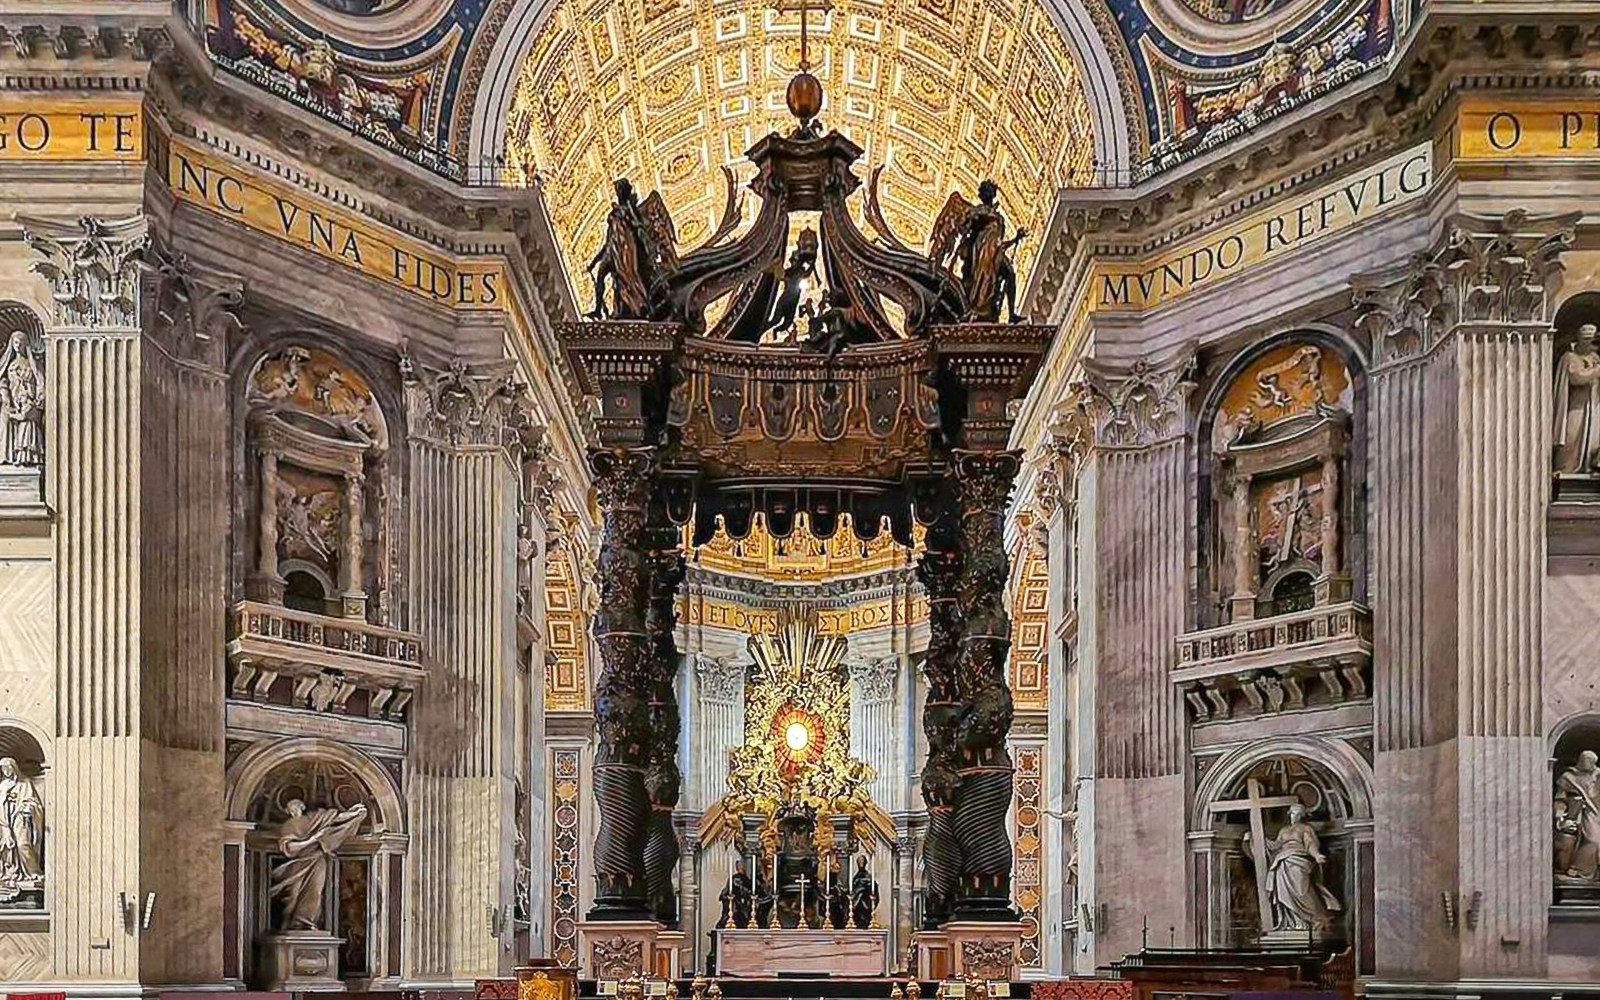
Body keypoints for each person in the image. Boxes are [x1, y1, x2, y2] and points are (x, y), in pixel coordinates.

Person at [267, 798, 368, 931]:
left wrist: (354, 813)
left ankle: (307, 922)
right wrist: (312, 840)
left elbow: (336, 818)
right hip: (297, 864)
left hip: (317, 860)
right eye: (290, 808)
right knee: (293, 895)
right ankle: (291, 924)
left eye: (295, 806)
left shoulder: (314, 818)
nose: (293, 810)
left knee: (316, 891)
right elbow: (289, 848)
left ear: (302, 807)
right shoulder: (288, 825)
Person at [1258, 804, 1341, 934]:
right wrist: (1260, 839)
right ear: (1289, 814)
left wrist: (1317, 855)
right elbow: (1276, 845)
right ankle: (1292, 922)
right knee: (1283, 893)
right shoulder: (1284, 830)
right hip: (1282, 862)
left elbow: (1311, 844)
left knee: (1302, 891)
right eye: (1292, 813)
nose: (1294, 816)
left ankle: (1313, 918)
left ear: (1302, 816)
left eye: (1297, 814)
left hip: (1298, 861)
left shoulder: (1305, 828)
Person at [954, 181, 1026, 324]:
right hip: (983, 250)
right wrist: (970, 221)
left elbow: (999, 242)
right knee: (983, 278)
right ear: (982, 194)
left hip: (996, 250)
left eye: (992, 191)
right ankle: (977, 306)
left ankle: (1012, 314)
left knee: (1010, 274)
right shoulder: (978, 210)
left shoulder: (999, 217)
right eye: (988, 191)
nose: (990, 194)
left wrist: (1015, 239)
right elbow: (965, 225)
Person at [587, 179, 652, 319]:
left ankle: (631, 304)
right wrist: (594, 261)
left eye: (619, 190)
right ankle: (598, 309)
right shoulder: (615, 213)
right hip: (613, 247)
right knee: (600, 274)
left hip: (625, 247)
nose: (618, 192)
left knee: (623, 279)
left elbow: (638, 225)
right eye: (617, 190)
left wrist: (638, 229)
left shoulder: (628, 208)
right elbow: (608, 240)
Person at [1554, 324, 1600, 475]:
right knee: (1571, 436)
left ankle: (1589, 466)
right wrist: (1595, 371)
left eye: (1592, 339)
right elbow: (1576, 377)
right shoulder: (1569, 357)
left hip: (1594, 405)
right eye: (1586, 339)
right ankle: (1567, 468)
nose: (1589, 343)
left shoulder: (1595, 358)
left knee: (1594, 440)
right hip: (1576, 405)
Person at [0, 330, 44, 467]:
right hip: (11, 403)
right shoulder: (9, 364)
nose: (18, 345)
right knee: (5, 421)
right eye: (15, 342)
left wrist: (37, 400)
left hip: (28, 402)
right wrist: (6, 398)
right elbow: (3, 382)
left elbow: (41, 382)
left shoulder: (33, 364)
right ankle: (6, 458)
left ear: (26, 344)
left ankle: (26, 457)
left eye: (20, 343)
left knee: (26, 423)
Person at [0, 757, 44, 894]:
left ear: (14, 768)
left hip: (20, 818)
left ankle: (33, 873)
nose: (6, 771)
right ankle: (8, 873)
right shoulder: (2, 785)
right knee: (6, 848)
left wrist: (28, 807)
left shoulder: (25, 783)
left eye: (8, 768)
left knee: (22, 844)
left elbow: (34, 803)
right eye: (3, 769)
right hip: (4, 821)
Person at [1557, 750, 1600, 879]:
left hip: (1596, 812)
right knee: (1594, 840)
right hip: (1577, 813)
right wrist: (1560, 817)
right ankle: (1579, 869)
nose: (1591, 764)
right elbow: (1560, 799)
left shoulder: (1597, 775)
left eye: (1593, 762)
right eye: (1587, 761)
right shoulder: (1569, 777)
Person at [850, 854, 878, 929]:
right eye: (859, 862)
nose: (861, 864)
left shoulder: (868, 876)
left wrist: (865, 889)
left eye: (862, 862)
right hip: (857, 903)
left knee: (864, 917)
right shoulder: (856, 877)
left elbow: (873, 887)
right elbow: (852, 888)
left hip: (865, 901)